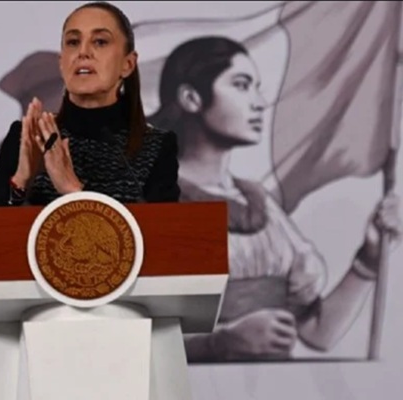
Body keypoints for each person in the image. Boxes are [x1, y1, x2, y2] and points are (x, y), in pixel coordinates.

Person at [148, 36, 402, 362]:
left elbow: (317, 333)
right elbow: (132, 343)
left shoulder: (259, 202)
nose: (258, 102)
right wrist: (220, 342)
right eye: (241, 85)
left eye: (257, 87)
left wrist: (368, 258)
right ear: (191, 98)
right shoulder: (160, 198)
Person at [0, 1, 181, 207]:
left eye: (100, 42)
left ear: (127, 64)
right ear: (61, 63)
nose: (83, 52)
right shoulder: (27, 138)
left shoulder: (155, 146)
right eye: (73, 42)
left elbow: (161, 227)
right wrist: (21, 181)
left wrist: (74, 191)